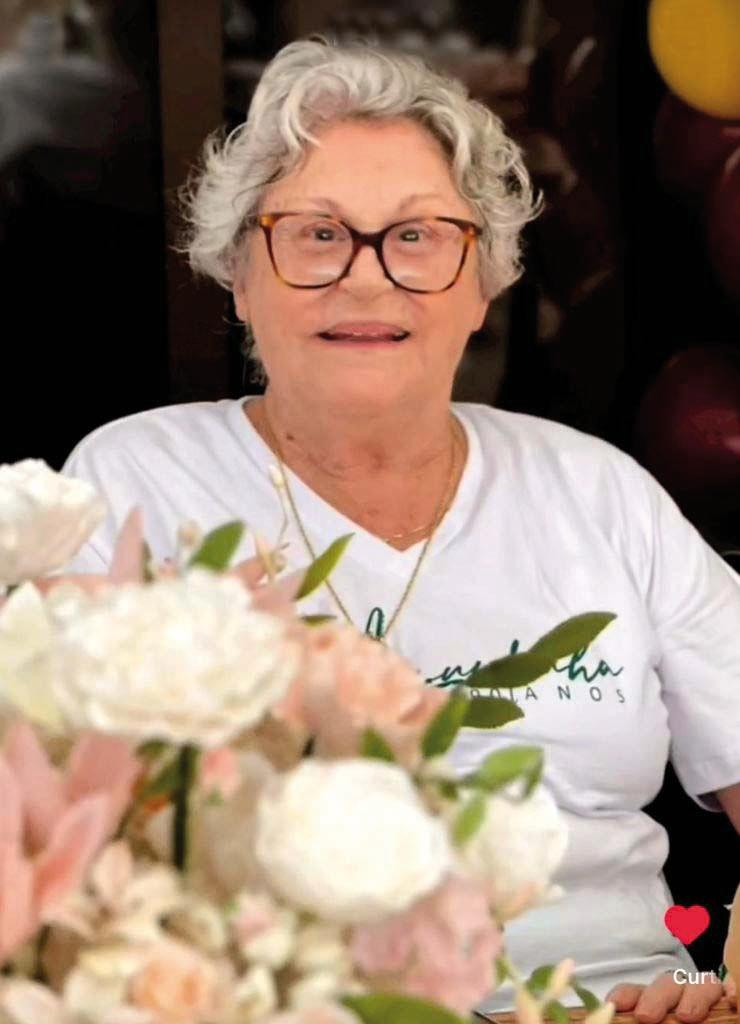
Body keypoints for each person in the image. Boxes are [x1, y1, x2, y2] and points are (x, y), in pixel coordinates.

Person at [58, 36, 740, 1019]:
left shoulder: (597, 494)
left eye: (417, 236)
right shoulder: (135, 483)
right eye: (316, 234)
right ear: (238, 276)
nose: (368, 278)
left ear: (482, 284)